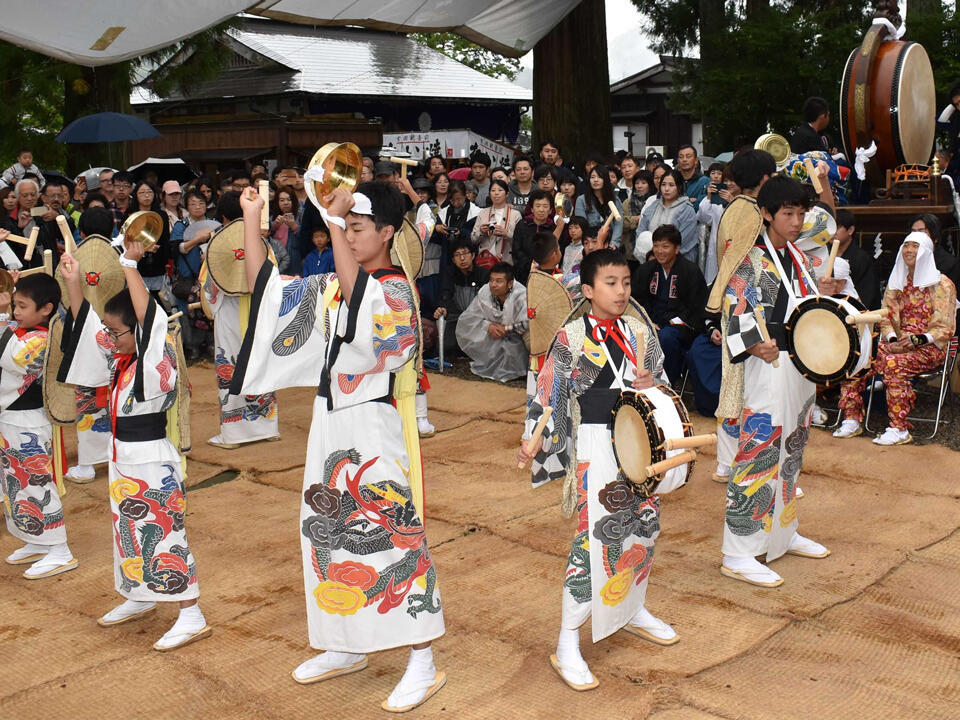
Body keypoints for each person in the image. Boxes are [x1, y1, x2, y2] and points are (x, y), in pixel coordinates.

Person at [230, 181, 446, 712]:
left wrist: (328, 221)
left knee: (393, 535)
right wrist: (255, 220)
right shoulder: (333, 283)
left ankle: (423, 658)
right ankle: (344, 643)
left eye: (356, 226)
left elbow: (370, 328)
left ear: (388, 233)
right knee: (325, 534)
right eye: (343, 226)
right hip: (330, 424)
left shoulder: (396, 290)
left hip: (375, 426)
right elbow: (270, 292)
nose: (347, 234)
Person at [518, 248, 677, 692]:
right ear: (587, 291)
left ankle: (630, 606)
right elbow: (547, 393)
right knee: (594, 540)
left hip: (639, 442)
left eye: (626, 282)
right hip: (594, 444)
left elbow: (662, 381)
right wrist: (532, 439)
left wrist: (655, 385)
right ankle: (568, 638)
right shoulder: (569, 338)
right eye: (610, 283)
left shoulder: (642, 334)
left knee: (642, 527)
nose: (621, 291)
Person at [59, 242, 210, 650]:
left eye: (117, 331)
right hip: (125, 459)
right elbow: (91, 332)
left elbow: (147, 321)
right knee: (128, 532)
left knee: (164, 535)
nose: (110, 337)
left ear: (140, 330)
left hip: (152, 461)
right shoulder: (123, 356)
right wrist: (74, 283)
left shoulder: (156, 358)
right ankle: (139, 594)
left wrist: (129, 264)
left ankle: (191, 613)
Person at [718, 176, 842, 588]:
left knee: (793, 447)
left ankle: (782, 533)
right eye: (787, 213)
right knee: (758, 451)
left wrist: (825, 294)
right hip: (767, 365)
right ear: (767, 214)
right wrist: (754, 347)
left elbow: (812, 312)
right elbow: (732, 315)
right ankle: (738, 552)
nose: (796, 221)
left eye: (801, 213)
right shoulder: (749, 261)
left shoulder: (803, 261)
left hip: (800, 365)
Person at [835, 232, 957, 445]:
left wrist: (916, 341)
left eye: (915, 246)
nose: (909, 250)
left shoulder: (943, 284)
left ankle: (899, 429)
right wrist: (892, 340)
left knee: (893, 364)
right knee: (857, 356)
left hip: (929, 347)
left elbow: (945, 328)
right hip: (897, 344)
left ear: (927, 252)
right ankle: (852, 418)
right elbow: (885, 317)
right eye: (906, 245)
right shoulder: (897, 281)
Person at [0, 273, 77, 579]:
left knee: (37, 483)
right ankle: (37, 539)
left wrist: (3, 314)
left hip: (28, 420)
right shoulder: (24, 330)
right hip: (13, 418)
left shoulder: (42, 338)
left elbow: (10, 357)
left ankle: (60, 549)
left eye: (21, 306)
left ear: (45, 309)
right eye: (15, 305)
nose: (16, 311)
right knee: (15, 483)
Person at [201, 191, 280, 449]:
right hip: (257, 309)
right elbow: (273, 275)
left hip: (228, 311)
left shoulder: (216, 243)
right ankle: (266, 426)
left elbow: (208, 287)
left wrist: (210, 306)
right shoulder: (261, 242)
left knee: (231, 365)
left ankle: (234, 434)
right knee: (260, 361)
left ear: (222, 216)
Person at [632, 224, 708, 384]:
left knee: (666, 337)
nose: (659, 251)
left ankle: (666, 383)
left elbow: (697, 305)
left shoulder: (690, 271)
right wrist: (648, 321)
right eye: (656, 246)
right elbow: (638, 299)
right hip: (652, 321)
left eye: (665, 246)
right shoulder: (647, 269)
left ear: (677, 248)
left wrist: (675, 322)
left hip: (679, 326)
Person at [455, 262, 528, 382]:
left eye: (499, 281)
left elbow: (527, 323)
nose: (493, 285)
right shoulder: (485, 291)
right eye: (491, 280)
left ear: (510, 283)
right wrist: (488, 326)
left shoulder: (521, 295)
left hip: (517, 337)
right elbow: (469, 317)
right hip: (494, 334)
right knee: (469, 326)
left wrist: (506, 329)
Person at [170, 190, 217, 362]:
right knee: (188, 312)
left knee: (209, 310)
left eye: (201, 203)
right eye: (193, 204)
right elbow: (177, 249)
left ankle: (211, 345)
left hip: (210, 277)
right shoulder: (181, 226)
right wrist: (197, 240)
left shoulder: (214, 224)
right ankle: (192, 348)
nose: (198, 207)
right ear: (186, 207)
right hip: (188, 276)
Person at [434, 238, 489, 358]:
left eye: (465, 254)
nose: (462, 258)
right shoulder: (449, 274)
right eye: (457, 255)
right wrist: (442, 307)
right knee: (445, 348)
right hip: (456, 318)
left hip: (478, 320)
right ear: (453, 260)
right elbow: (445, 293)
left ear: (473, 255)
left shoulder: (484, 274)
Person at [634, 168, 697, 264]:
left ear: (679, 187)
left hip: (678, 263)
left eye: (671, 185)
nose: (666, 189)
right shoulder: (653, 206)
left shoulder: (687, 210)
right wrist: (650, 253)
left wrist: (662, 254)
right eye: (663, 185)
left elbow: (684, 241)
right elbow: (641, 230)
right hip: (651, 259)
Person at [697, 170, 741, 285]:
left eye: (733, 180)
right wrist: (709, 196)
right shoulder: (717, 202)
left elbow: (741, 221)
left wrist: (732, 202)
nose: (729, 183)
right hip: (716, 252)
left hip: (735, 253)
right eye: (726, 180)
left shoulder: (743, 201)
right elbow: (703, 218)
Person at [513, 189, 562, 285]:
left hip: (548, 274)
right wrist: (530, 266)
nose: (541, 210)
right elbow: (516, 250)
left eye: (545, 206)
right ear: (532, 209)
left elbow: (557, 250)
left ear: (551, 210)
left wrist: (542, 266)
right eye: (538, 206)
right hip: (522, 274)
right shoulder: (522, 225)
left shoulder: (554, 228)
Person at [834, 209, 880, 309]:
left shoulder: (861, 258)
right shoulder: (825, 254)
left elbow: (867, 291)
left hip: (853, 309)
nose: (832, 232)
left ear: (850, 230)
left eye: (836, 228)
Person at [471, 178, 520, 268]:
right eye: (493, 190)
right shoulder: (483, 213)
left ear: (507, 194)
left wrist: (506, 234)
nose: (496, 193)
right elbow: (473, 239)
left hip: (507, 260)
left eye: (500, 190)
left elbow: (520, 241)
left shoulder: (515, 214)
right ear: (489, 194)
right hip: (485, 261)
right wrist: (481, 231)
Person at [574, 166, 623, 249]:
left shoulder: (615, 200)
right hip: (590, 243)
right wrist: (591, 242)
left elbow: (619, 223)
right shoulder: (581, 200)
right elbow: (581, 224)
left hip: (610, 242)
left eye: (599, 177)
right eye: (592, 177)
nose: (595, 180)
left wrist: (614, 243)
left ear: (606, 180)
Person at [910, 213, 960, 292]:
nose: (916, 237)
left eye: (922, 232)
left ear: (935, 237)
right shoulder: (907, 259)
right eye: (913, 232)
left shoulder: (950, 264)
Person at [676, 145, 709, 210]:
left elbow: (704, 205)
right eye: (681, 157)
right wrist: (690, 201)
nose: (684, 160)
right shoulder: (673, 181)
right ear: (678, 161)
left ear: (696, 160)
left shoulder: (705, 182)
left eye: (688, 156)